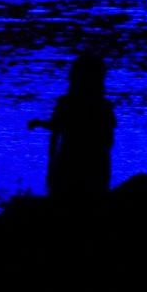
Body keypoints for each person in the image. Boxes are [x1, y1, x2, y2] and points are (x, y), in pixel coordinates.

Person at [34, 49, 115, 203]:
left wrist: (51, 170)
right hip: (95, 165)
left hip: (69, 163)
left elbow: (55, 132)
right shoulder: (103, 106)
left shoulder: (66, 103)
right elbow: (108, 141)